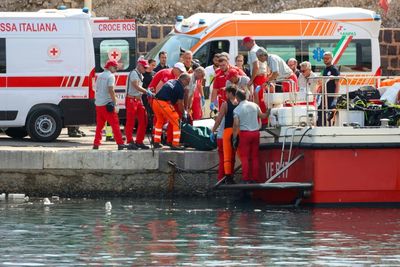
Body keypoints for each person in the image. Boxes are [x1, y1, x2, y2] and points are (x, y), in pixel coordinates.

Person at [232, 89, 269, 183]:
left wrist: (234, 137)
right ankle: (255, 178)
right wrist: (269, 111)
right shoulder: (254, 105)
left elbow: (236, 125)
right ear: (246, 96)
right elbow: (263, 116)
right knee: (255, 157)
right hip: (256, 133)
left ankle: (246, 179)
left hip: (245, 134)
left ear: (237, 98)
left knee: (245, 157)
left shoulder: (237, 109)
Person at [152, 73, 191, 150]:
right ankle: (175, 144)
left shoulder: (171, 81)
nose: (187, 84)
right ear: (184, 80)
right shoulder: (180, 88)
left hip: (155, 102)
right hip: (163, 103)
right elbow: (180, 103)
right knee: (176, 121)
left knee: (160, 121)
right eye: (188, 82)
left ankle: (156, 142)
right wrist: (184, 113)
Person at [93, 59, 125, 150]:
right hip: (107, 105)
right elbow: (111, 90)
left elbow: (97, 89)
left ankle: (96, 144)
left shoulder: (99, 76)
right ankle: (120, 144)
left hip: (98, 104)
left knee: (99, 126)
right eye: (115, 67)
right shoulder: (111, 76)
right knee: (115, 124)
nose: (116, 69)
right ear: (110, 67)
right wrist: (116, 103)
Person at [211, 86, 238, 184]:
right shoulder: (239, 104)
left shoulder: (225, 104)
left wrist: (212, 131)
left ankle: (221, 179)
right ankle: (230, 177)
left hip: (223, 135)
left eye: (226, 93)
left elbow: (218, 120)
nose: (225, 95)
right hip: (234, 135)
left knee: (223, 158)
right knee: (232, 158)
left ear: (230, 93)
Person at [125, 59, 152, 150]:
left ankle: (139, 141)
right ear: (139, 65)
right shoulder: (134, 73)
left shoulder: (140, 74)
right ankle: (130, 141)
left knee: (144, 120)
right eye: (144, 67)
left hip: (137, 99)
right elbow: (136, 86)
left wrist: (146, 92)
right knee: (131, 122)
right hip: (131, 99)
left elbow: (138, 88)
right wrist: (146, 91)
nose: (145, 69)